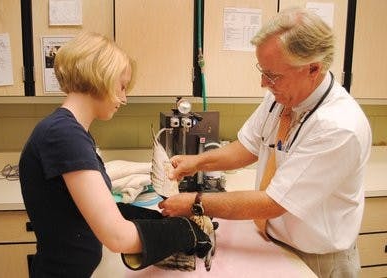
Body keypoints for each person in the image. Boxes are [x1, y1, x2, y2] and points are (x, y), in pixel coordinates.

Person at [159, 7, 372, 278]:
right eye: (263, 71)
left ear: (314, 68)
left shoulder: (339, 127)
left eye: (273, 75)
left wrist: (196, 202)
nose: (263, 83)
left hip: (318, 260)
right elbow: (247, 147)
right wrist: (196, 162)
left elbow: (273, 203)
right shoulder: (282, 96)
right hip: (273, 241)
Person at [19, 31, 211, 277]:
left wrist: (156, 220)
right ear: (102, 77)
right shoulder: (64, 135)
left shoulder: (68, 130)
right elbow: (117, 237)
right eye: (122, 86)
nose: (124, 98)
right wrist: (185, 232)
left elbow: (84, 210)